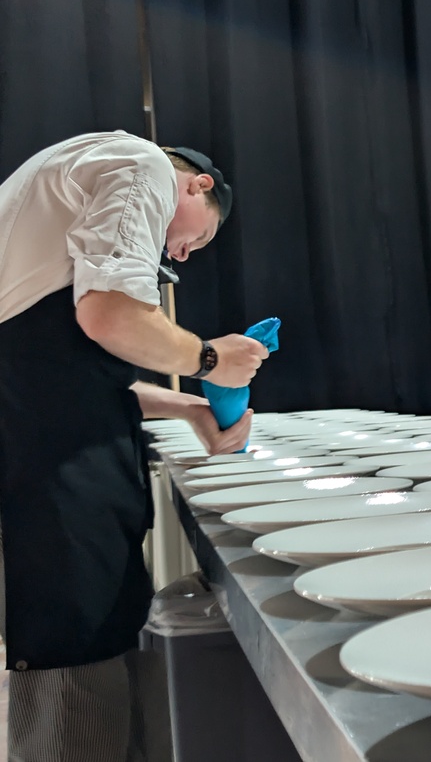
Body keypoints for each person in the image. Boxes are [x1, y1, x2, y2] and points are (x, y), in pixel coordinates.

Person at [0, 131, 268, 759]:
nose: (182, 250)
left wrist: (190, 406)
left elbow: (76, 373)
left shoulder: (49, 218)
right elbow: (112, 318)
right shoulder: (141, 162)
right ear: (198, 185)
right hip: (55, 470)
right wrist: (210, 359)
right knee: (75, 641)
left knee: (97, 630)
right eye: (195, 236)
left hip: (53, 443)